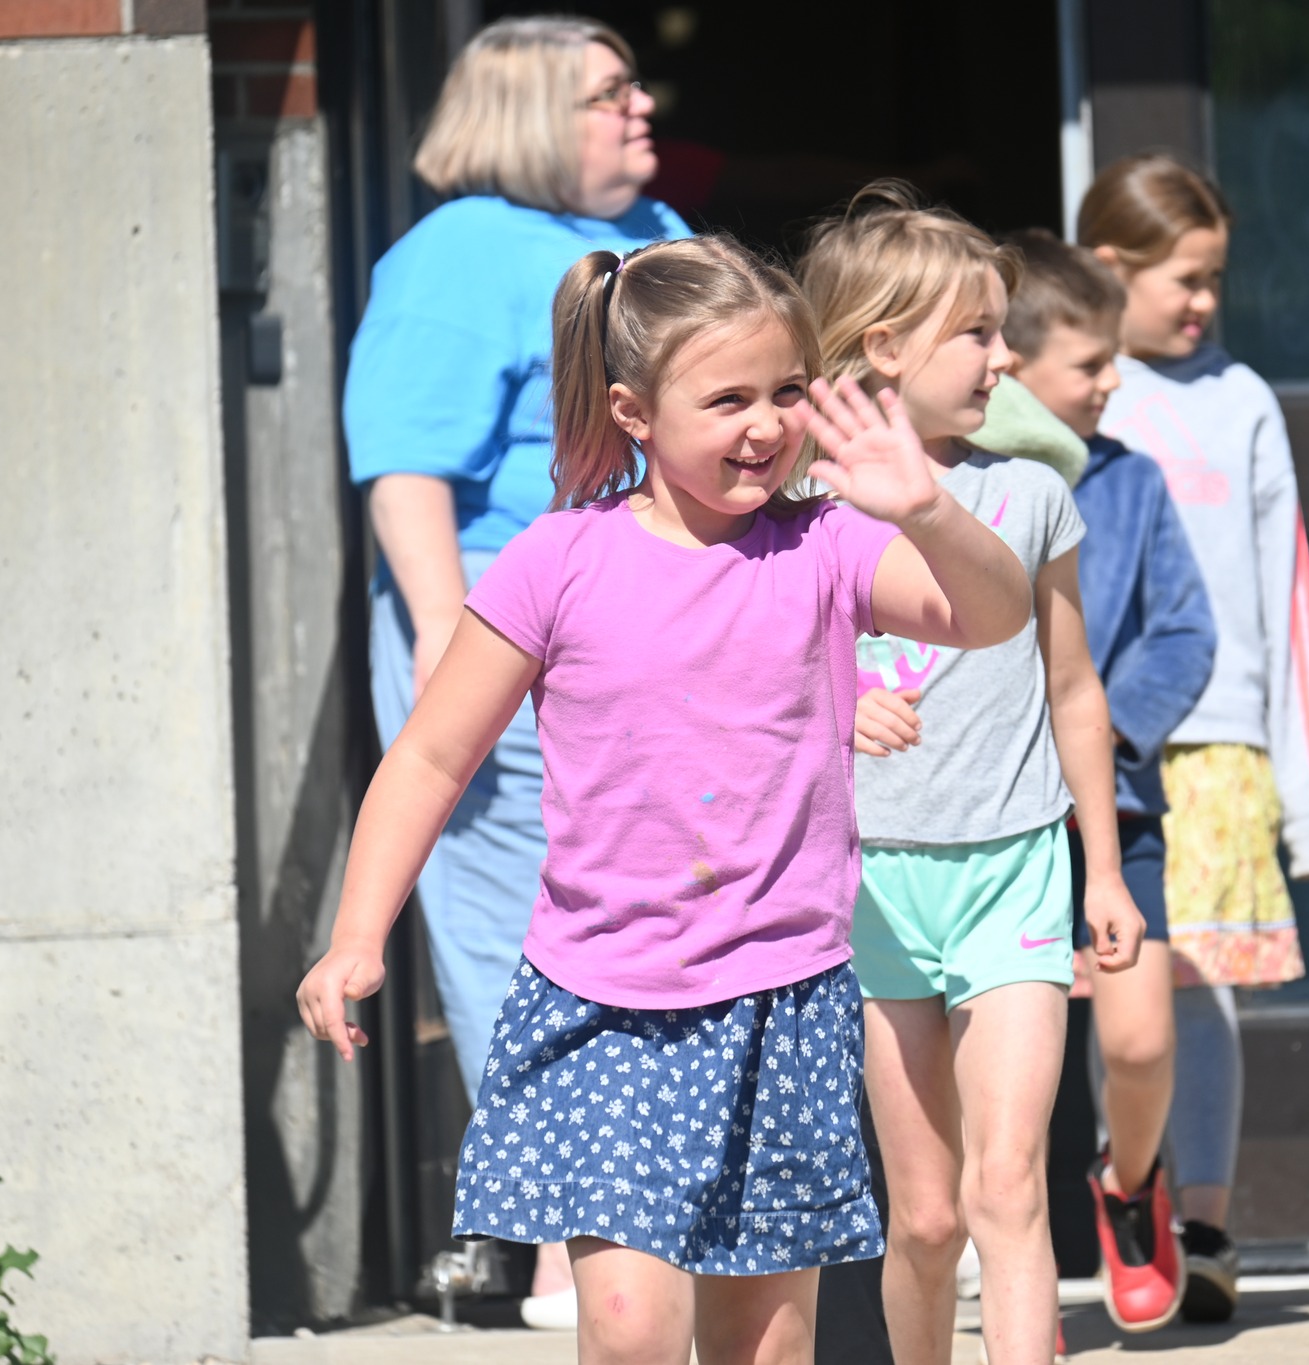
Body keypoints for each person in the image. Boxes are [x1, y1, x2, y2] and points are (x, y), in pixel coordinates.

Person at [299, 234, 1031, 1365]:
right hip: (605, 1001)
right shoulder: (556, 561)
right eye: (727, 398)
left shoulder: (827, 546)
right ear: (634, 413)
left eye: (786, 391)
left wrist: (925, 509)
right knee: (633, 1331)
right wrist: (356, 935)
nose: (765, 424)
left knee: (767, 1349)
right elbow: (431, 758)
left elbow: (991, 614)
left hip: (781, 1001)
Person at [340, 15, 685, 1315]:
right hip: (507, 635)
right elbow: (409, 466)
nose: (642, 107)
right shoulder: (454, 258)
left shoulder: (661, 239)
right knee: (523, 940)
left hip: (665, 636)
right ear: (534, 115)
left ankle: (651, 1217)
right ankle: (568, 1237)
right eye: (608, 95)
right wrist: (444, 631)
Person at [806, 183, 1146, 1365]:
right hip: (872, 894)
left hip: (1013, 876)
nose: (1005, 359)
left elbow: (1072, 692)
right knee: (929, 1213)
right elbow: (746, 691)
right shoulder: (798, 510)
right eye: (980, 334)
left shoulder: (1031, 495)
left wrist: (1100, 872)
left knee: (1009, 1193)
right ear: (883, 347)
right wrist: (839, 716)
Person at [1080, 154, 1309, 1323]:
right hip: (1098, 751)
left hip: (1221, 738)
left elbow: (1283, 595)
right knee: (1114, 986)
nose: (1201, 304)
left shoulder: (1241, 399)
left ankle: (1200, 1223)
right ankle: (1118, 1192)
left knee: (1200, 993)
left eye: (1214, 280)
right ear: (1107, 270)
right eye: (1180, 279)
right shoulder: (1073, 393)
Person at [995, 229, 1217, 1333]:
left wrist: (1102, 734)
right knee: (999, 1079)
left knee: (1133, 1039)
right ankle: (1003, 1261)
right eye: (1086, 365)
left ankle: (1130, 1187)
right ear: (1007, 366)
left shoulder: (1127, 484)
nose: (1110, 381)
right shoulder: (950, 491)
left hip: (1111, 815)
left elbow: (1182, 632)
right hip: (983, 827)